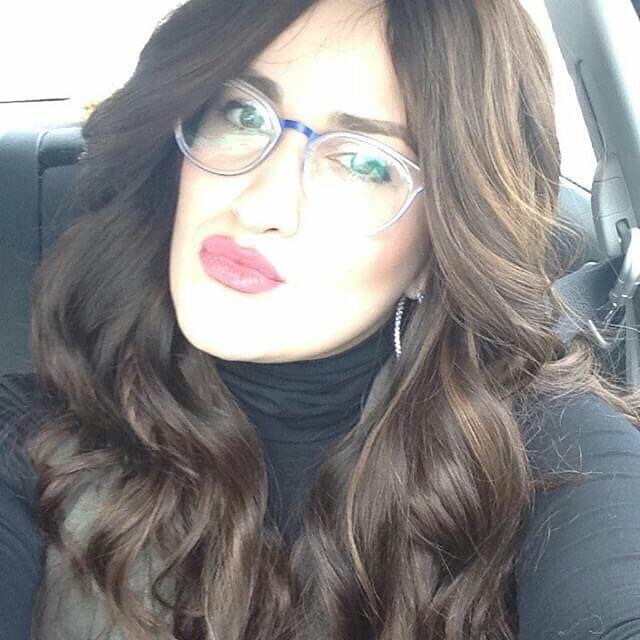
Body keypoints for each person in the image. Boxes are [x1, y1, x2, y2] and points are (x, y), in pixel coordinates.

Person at [1, 0, 639, 638]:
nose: (261, 206)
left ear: (439, 247)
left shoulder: (546, 446)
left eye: (364, 163)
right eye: (243, 113)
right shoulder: (29, 436)